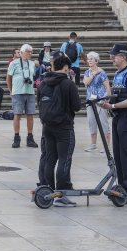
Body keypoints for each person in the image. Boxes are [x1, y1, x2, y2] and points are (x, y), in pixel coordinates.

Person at [38, 51, 81, 206]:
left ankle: (47, 190)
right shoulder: (68, 83)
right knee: (64, 159)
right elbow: (76, 106)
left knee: (50, 158)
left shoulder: (43, 82)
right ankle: (61, 194)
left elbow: (39, 103)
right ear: (65, 67)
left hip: (47, 126)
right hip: (64, 127)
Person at [101, 44, 127, 204]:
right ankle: (122, 189)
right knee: (118, 155)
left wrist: (112, 106)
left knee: (126, 155)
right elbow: (117, 95)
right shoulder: (118, 74)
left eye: (114, 55)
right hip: (118, 117)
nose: (111, 58)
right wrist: (107, 101)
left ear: (123, 57)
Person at [6, 44, 38, 148]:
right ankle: (16, 137)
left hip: (30, 92)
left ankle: (30, 137)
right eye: (28, 51)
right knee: (17, 114)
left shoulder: (32, 63)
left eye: (31, 51)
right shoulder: (14, 63)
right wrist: (11, 91)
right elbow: (8, 79)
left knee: (30, 115)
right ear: (22, 52)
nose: (30, 53)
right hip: (18, 92)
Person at [83, 51, 111, 153]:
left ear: (96, 60)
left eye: (91, 59)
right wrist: (93, 74)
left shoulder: (102, 72)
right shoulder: (87, 72)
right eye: (88, 59)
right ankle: (93, 144)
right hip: (90, 100)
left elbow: (107, 86)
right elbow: (86, 82)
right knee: (91, 122)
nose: (89, 60)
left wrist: (108, 97)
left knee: (103, 122)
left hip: (100, 99)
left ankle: (107, 145)